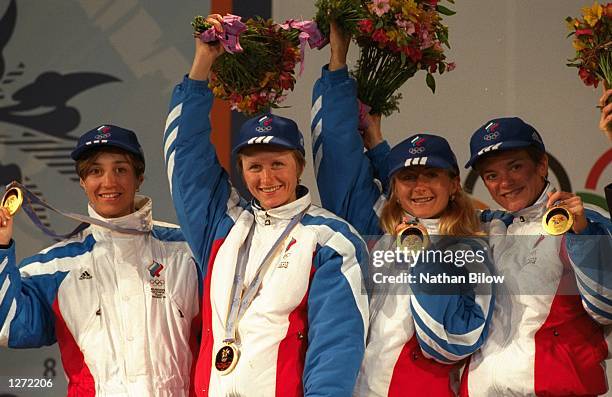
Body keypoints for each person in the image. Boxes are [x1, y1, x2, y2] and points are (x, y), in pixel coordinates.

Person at [162, 14, 369, 397]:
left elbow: (337, 346)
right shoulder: (222, 227)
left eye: (278, 163)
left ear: (300, 165)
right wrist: (201, 65)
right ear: (240, 169)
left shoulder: (329, 239)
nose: (266, 177)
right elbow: (186, 159)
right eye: (254, 166)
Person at [310, 23, 494, 396]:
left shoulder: (473, 248)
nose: (421, 186)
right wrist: (337, 64)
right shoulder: (375, 225)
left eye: (432, 175)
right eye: (408, 177)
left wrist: (427, 260)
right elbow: (339, 158)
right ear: (393, 185)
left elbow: (459, 340)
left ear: (454, 183)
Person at [0, 125, 200, 397]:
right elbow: (9, 326)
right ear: (82, 181)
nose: (108, 182)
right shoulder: (56, 267)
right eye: (95, 171)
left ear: (139, 177)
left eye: (120, 169)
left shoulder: (186, 252)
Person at [459, 116, 612, 396]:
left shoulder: (585, 223)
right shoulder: (486, 229)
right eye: (491, 176)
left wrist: (583, 233)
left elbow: (607, 305)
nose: (504, 183)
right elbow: (408, 200)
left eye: (515, 166)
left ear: (542, 165)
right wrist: (374, 138)